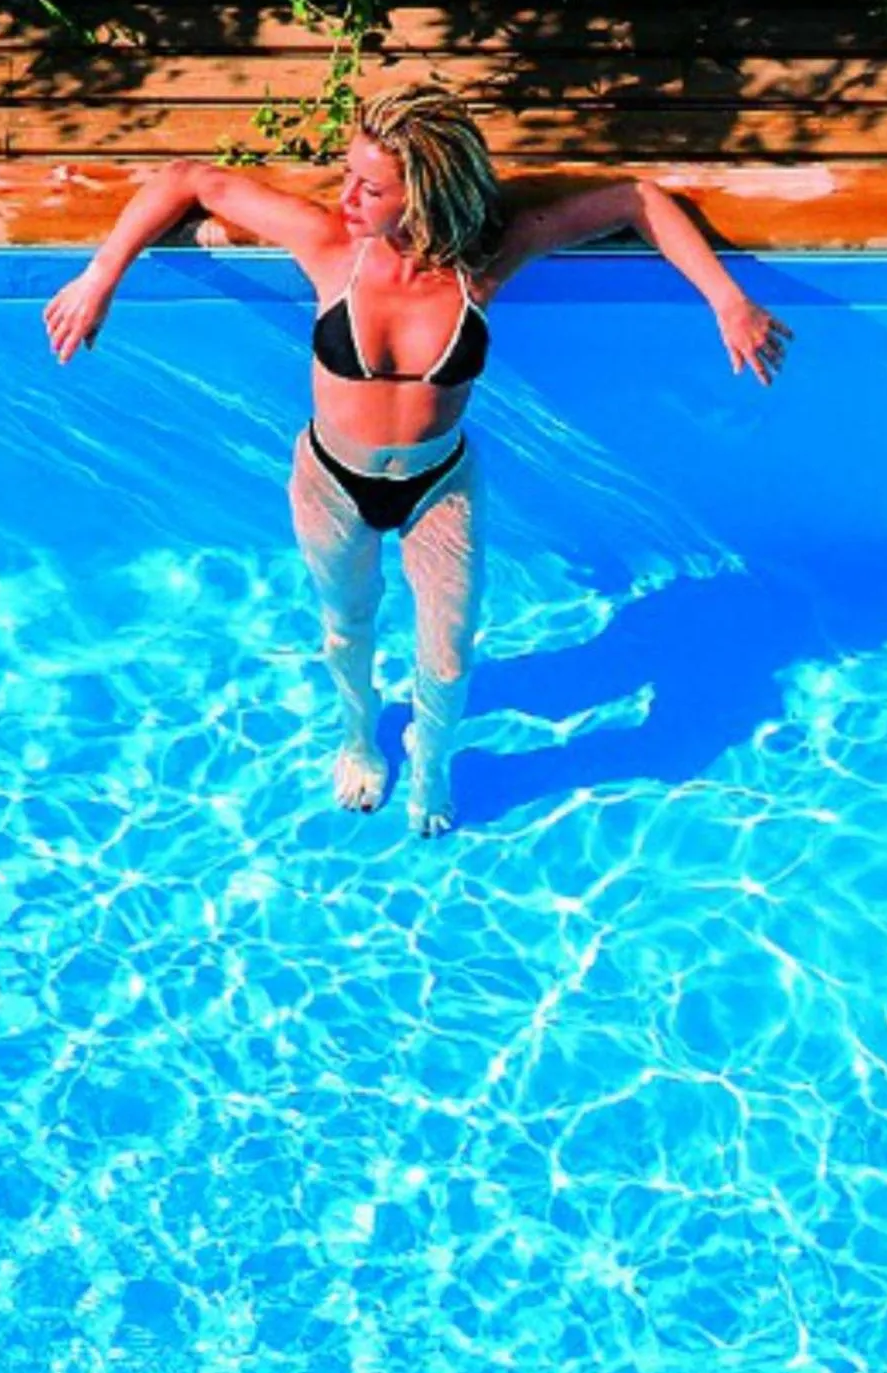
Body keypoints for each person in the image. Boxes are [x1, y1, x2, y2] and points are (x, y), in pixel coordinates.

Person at [43, 84, 790, 837]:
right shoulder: (330, 244)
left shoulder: (485, 260)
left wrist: (728, 302)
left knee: (451, 656)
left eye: (370, 187)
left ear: (423, 193)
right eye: (348, 177)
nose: (347, 197)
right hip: (332, 480)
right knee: (347, 626)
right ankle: (358, 736)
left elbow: (635, 199)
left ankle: (431, 759)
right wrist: (100, 278)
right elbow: (189, 180)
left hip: (440, 487)